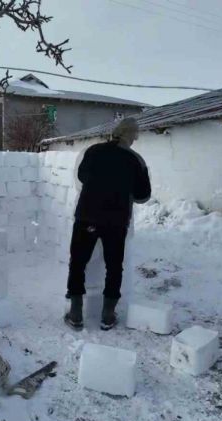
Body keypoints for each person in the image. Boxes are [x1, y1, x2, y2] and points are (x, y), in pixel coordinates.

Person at [64, 117, 151, 331]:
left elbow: (82, 176)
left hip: (87, 217)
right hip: (116, 221)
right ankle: (108, 314)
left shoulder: (92, 151)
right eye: (135, 136)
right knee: (114, 267)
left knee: (78, 262)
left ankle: (76, 312)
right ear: (131, 136)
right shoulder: (135, 160)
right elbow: (143, 195)